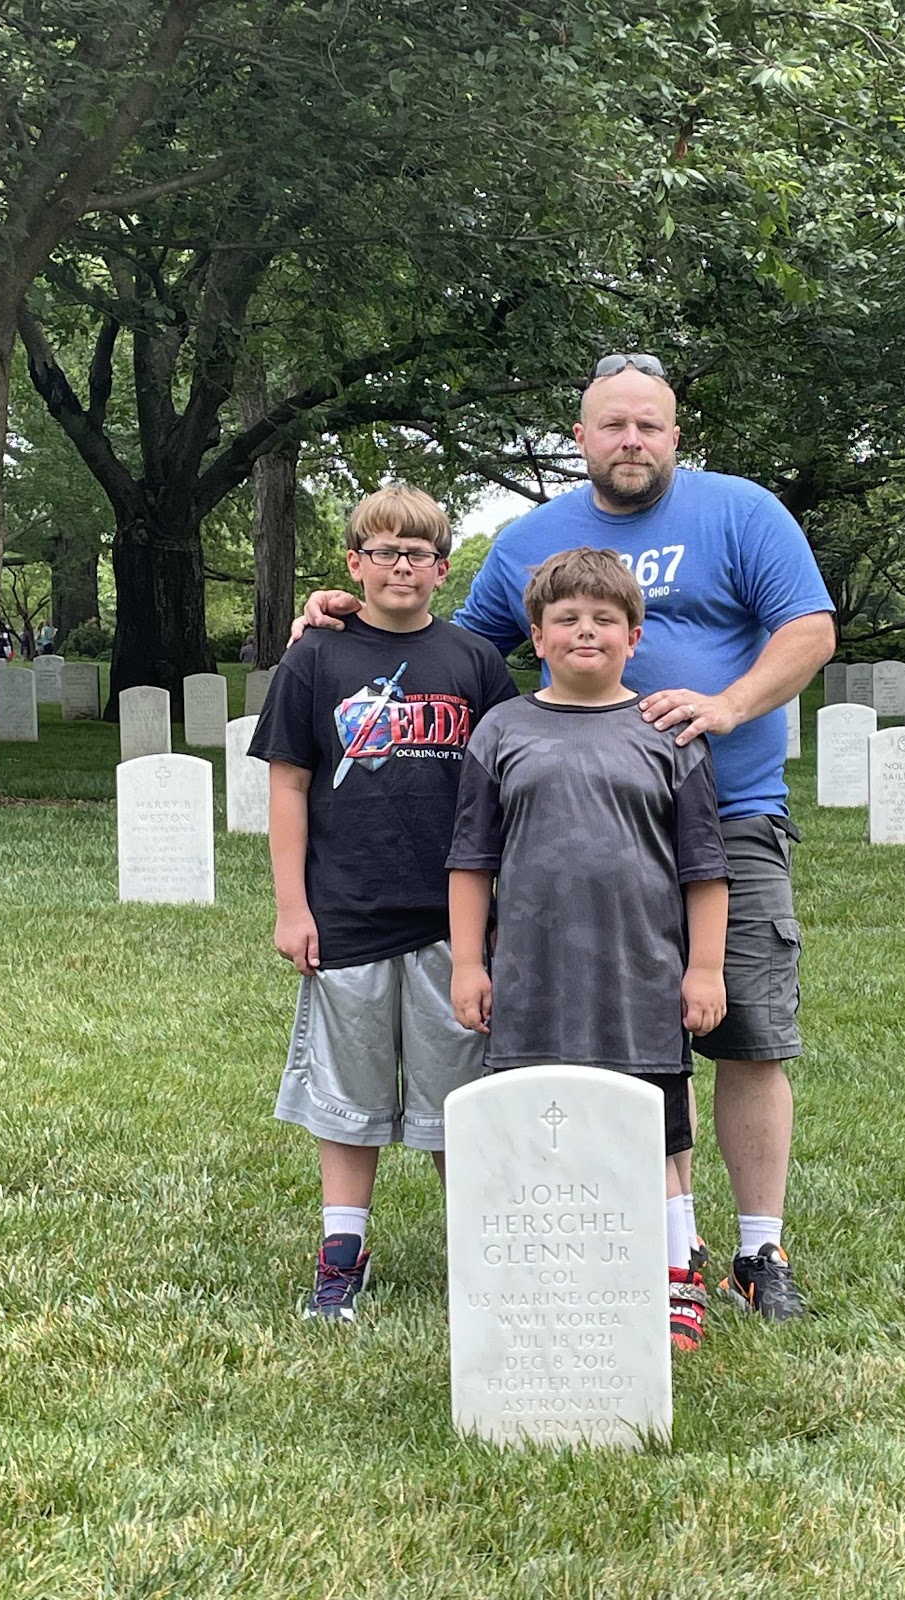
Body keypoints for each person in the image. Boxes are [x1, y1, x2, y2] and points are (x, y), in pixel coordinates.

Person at [296, 354, 836, 1320]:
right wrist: (355, 618)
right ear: (580, 438)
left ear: (675, 435)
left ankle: (761, 1250)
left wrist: (725, 706)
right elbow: (452, 651)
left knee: (746, 1029)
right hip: (569, 844)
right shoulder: (531, 540)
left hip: (727, 812)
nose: (632, 441)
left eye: (650, 425)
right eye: (613, 425)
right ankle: (638, 1236)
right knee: (603, 1035)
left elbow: (810, 631)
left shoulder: (743, 513)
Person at [248, 483, 518, 1324]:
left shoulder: (474, 661)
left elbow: (508, 784)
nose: (401, 566)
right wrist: (292, 907)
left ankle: (479, 1249)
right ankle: (342, 1252)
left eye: (418, 553)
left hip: (452, 922)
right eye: (384, 552)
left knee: (459, 1097)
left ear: (443, 568)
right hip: (347, 912)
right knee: (349, 1097)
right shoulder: (315, 660)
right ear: (354, 564)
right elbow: (289, 786)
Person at [447, 548, 729, 1353]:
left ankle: (676, 1275)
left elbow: (706, 867)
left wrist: (704, 969)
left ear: (633, 637)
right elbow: (471, 861)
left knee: (659, 1133)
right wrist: (468, 964)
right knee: (536, 1124)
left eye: (605, 619)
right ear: (536, 637)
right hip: (530, 976)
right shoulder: (501, 731)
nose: (585, 632)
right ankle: (552, 1271)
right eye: (566, 619)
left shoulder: (668, 734)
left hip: (641, 973)